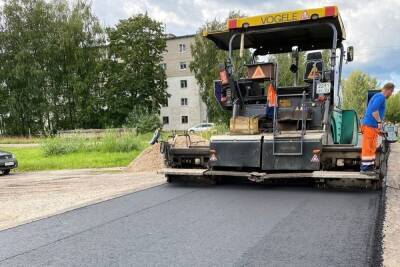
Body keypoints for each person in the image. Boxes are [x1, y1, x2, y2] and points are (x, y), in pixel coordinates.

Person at [360, 82, 395, 175]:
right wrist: (379, 122)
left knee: (371, 147)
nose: (391, 95)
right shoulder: (381, 97)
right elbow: (374, 110)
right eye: (391, 92)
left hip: (372, 126)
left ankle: (369, 167)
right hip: (370, 126)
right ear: (388, 90)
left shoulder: (378, 96)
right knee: (368, 147)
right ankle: (365, 168)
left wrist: (379, 128)